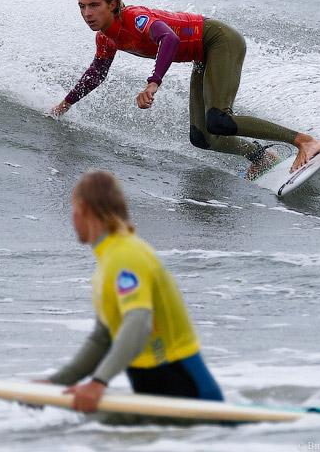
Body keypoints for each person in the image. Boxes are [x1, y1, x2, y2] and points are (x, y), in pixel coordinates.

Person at [50, 0, 320, 177]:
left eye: (93, 5)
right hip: (202, 56)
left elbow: (168, 39)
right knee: (203, 137)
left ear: (112, 4)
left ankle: (304, 141)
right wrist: (66, 103)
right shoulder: (106, 39)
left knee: (219, 119)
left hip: (218, 41)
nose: (87, 13)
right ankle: (260, 157)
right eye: (82, 7)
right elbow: (96, 74)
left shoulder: (136, 19)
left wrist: (153, 81)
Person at [46, 170, 223, 413]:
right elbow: (102, 338)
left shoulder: (126, 255)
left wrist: (98, 383)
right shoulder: (108, 259)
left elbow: (139, 322)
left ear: (84, 208)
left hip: (187, 391)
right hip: (157, 392)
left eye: (73, 209)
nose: (72, 217)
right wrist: (55, 384)